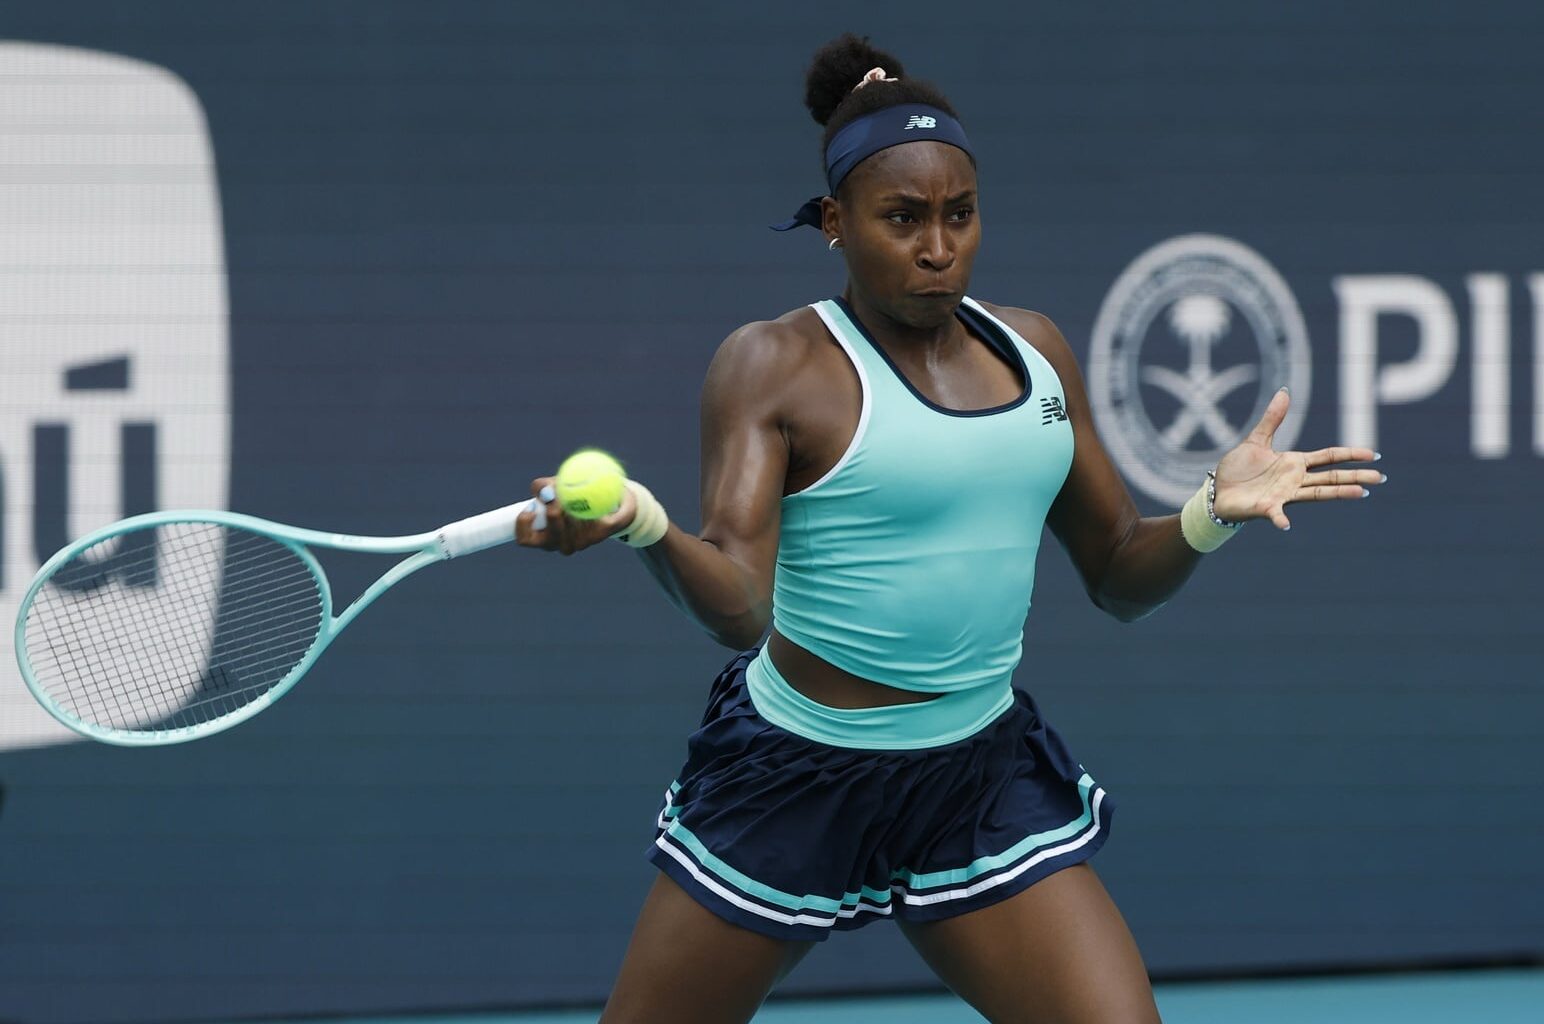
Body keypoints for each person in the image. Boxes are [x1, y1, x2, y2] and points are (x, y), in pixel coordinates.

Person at [516, 34, 1385, 1024]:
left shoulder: (1035, 351)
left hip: (974, 774)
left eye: (958, 216)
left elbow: (1114, 574)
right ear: (835, 224)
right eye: (902, 220)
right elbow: (737, 605)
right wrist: (639, 522)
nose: (938, 248)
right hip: (795, 774)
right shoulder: (771, 364)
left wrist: (1205, 513)